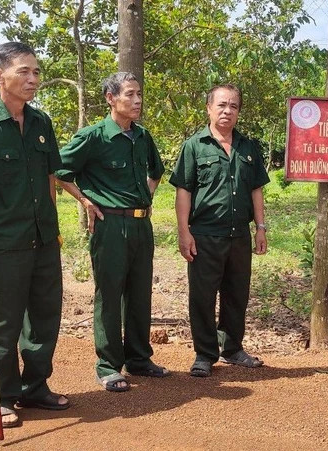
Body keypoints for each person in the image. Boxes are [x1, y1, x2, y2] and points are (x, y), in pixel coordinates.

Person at [0, 41, 69, 428]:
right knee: (3, 325)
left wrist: (53, 228)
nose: (33, 79)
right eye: (24, 71)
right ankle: (1, 397)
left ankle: (36, 387)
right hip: (3, 245)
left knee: (44, 318)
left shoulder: (41, 123)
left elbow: (50, 178)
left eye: (36, 71)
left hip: (43, 240)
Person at [55, 72, 167, 392]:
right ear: (110, 98)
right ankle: (107, 365)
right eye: (130, 95)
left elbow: (156, 172)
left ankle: (139, 359)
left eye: (139, 95)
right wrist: (85, 201)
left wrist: (144, 199)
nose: (137, 101)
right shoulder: (93, 137)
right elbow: (59, 171)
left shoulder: (143, 136)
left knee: (139, 292)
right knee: (110, 294)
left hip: (141, 225)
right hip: (110, 225)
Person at [169, 84, 270, 377]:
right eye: (222, 105)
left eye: (234, 106)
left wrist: (260, 228)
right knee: (202, 296)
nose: (228, 111)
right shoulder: (194, 146)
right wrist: (183, 232)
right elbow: (184, 191)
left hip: (239, 234)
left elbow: (256, 190)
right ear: (209, 108)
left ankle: (233, 349)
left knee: (236, 293)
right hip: (205, 234)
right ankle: (204, 354)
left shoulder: (248, 147)